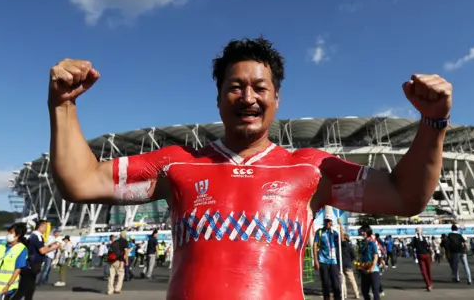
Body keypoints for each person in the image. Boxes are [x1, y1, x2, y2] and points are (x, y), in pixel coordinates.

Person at [47, 37, 453, 300]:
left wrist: (433, 123)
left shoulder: (312, 170)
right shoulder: (176, 166)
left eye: (259, 88)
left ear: (276, 98)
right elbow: (80, 182)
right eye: (235, 87)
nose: (247, 97)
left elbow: (405, 195)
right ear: (219, 99)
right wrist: (63, 105)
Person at [314, 218, 342, 300]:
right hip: (323, 261)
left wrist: (340, 226)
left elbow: (341, 240)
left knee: (336, 283)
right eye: (326, 221)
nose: (328, 223)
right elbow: (315, 245)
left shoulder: (334, 233)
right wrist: (316, 260)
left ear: (332, 222)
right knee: (325, 283)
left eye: (329, 221)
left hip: (333, 261)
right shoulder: (319, 232)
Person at [358, 228, 381, 300]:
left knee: (375, 291)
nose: (362, 233)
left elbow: (376, 257)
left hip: (373, 271)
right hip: (364, 269)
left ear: (368, 232)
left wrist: (371, 268)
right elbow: (360, 257)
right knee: (364, 291)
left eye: (364, 231)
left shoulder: (372, 243)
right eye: (361, 231)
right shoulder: (361, 243)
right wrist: (360, 267)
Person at [340, 233, 360, 299]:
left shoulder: (339, 246)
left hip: (340, 265)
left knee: (342, 281)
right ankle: (356, 294)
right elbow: (354, 256)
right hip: (348, 264)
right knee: (352, 281)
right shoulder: (349, 246)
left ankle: (344, 295)